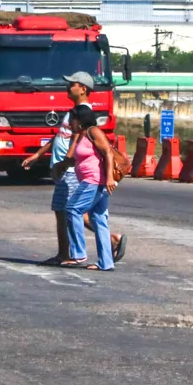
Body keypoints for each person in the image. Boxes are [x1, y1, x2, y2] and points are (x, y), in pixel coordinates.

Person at [20, 71, 126, 265]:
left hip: (85, 177)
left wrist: (65, 163)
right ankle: (100, 259)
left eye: (72, 84)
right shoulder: (75, 113)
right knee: (82, 213)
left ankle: (76, 254)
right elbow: (61, 137)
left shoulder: (84, 117)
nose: (68, 87)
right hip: (78, 173)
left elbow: (80, 143)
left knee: (71, 210)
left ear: (83, 88)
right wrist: (40, 155)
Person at [53, 106, 116, 271]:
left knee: (72, 209)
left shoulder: (93, 131)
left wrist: (109, 177)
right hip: (94, 182)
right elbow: (81, 159)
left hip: (94, 181)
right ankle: (106, 262)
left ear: (80, 121)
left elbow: (108, 153)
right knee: (99, 219)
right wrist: (62, 165)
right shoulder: (80, 136)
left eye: (72, 120)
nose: (69, 124)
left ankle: (78, 253)